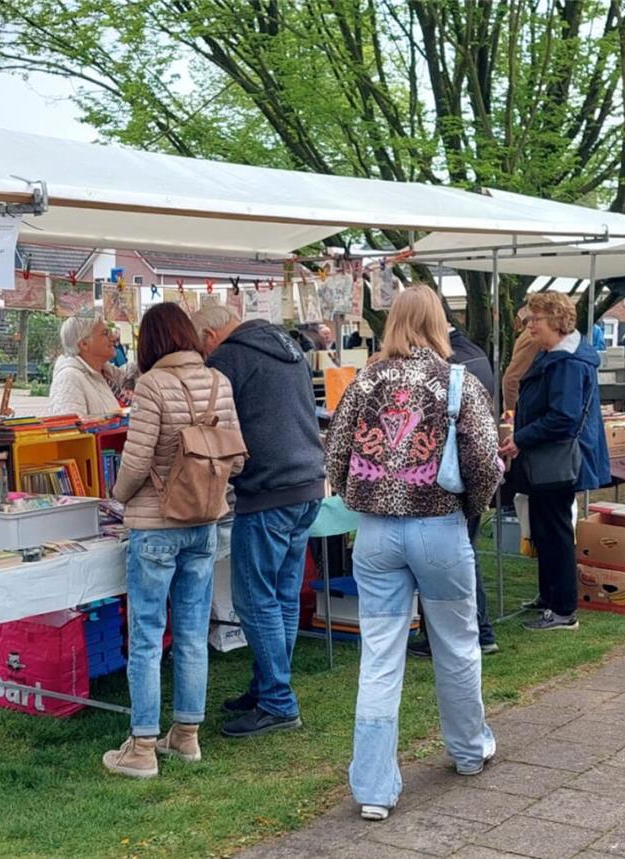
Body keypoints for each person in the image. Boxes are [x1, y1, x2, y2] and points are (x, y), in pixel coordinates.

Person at [325, 285, 503, 821]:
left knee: (380, 656)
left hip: (377, 533)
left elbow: (335, 455)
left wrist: (358, 494)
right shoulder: (458, 381)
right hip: (440, 528)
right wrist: (472, 507)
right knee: (457, 642)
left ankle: (374, 789)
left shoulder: (364, 380)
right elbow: (484, 458)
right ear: (439, 323)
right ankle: (469, 750)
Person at [103, 303, 243, 778]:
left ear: (150, 343)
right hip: (204, 522)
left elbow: (137, 460)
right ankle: (186, 736)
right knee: (190, 633)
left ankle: (142, 746)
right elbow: (237, 457)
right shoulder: (219, 383)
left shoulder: (152, 386)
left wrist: (118, 498)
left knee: (145, 636)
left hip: (155, 524)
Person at [191, 304, 325, 739]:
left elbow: (210, 421)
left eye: (201, 345)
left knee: (255, 600)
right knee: (282, 596)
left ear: (210, 335)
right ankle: (268, 686)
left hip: (268, 490)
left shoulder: (230, 357)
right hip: (306, 484)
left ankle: (277, 702)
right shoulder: (287, 345)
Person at [499, 293, 611, 631]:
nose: (529, 325)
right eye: (529, 318)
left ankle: (563, 610)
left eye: (536, 319)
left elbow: (563, 417)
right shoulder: (555, 355)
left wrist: (520, 438)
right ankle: (549, 598)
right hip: (546, 458)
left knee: (556, 532)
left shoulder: (567, 362)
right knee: (546, 530)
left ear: (557, 322)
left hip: (556, 460)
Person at [409, 323, 500, 658]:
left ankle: (464, 636)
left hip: (449, 480)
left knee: (451, 563)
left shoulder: (450, 364)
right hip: (464, 477)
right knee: (463, 557)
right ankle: (478, 633)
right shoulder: (473, 353)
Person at [48, 317, 131, 416]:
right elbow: (70, 427)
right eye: (105, 333)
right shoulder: (69, 379)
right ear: (84, 344)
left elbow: (134, 372)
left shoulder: (107, 373)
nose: (113, 337)